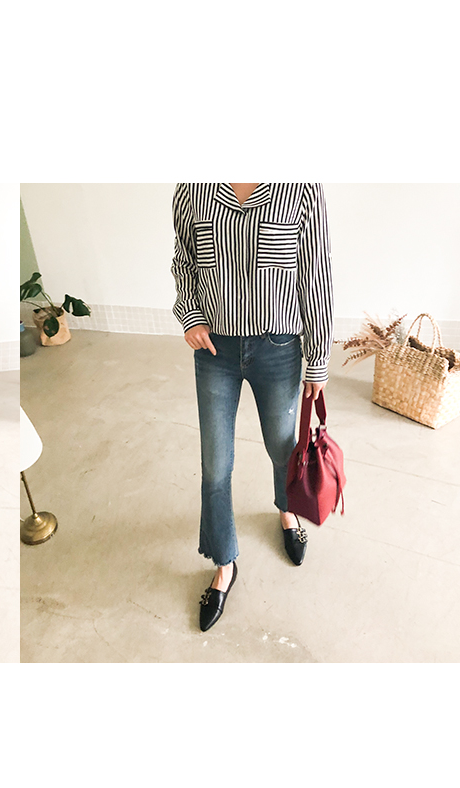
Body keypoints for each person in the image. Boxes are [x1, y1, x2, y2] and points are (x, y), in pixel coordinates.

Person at [172, 183, 334, 631]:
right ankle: (224, 563)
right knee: (215, 463)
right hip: (215, 350)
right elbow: (184, 259)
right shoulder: (193, 186)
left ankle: (286, 510)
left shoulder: (300, 187)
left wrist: (318, 358)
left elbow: (316, 275)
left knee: (282, 447)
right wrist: (190, 316)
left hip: (278, 348)